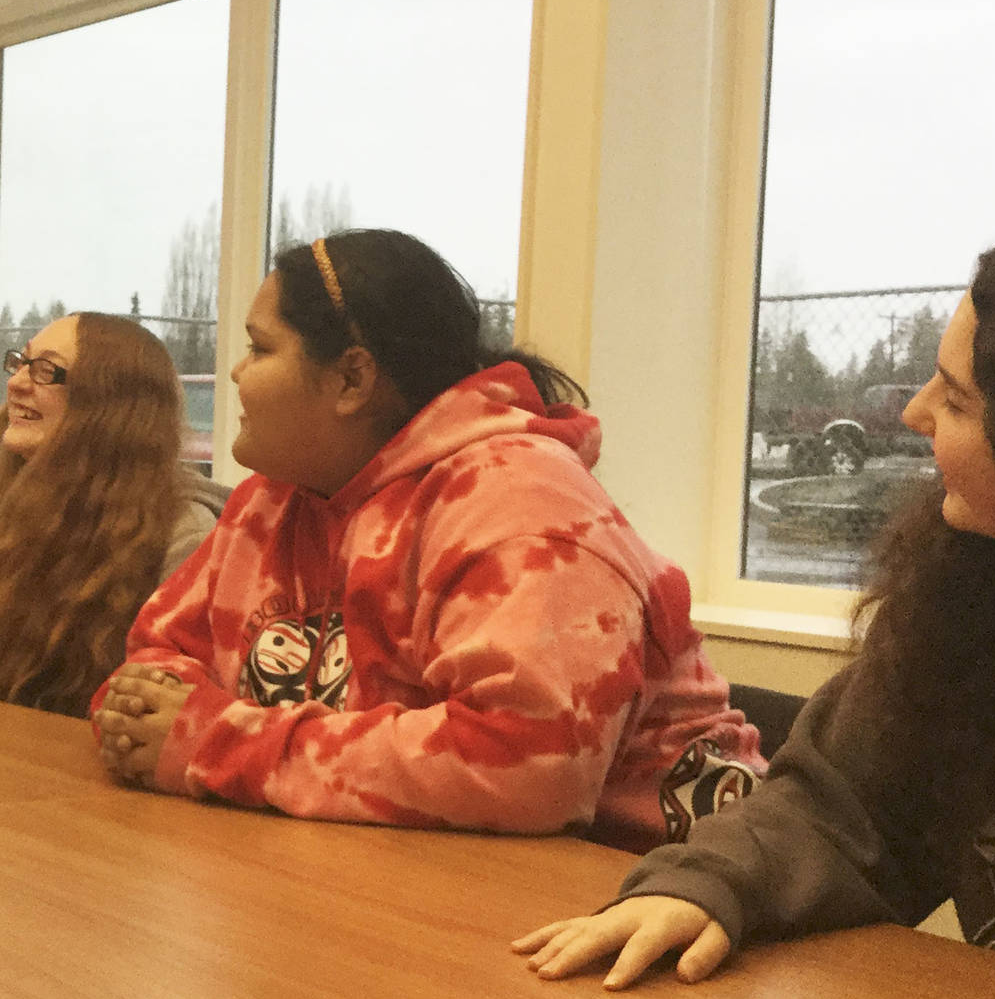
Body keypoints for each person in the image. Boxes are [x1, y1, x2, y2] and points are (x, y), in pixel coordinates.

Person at [514, 212, 995, 999]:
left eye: (956, 399)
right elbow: (846, 802)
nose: (917, 413)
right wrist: (706, 882)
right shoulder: (989, 590)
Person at [92, 230, 760, 846]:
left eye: (259, 348)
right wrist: (155, 715)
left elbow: (528, 769)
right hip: (404, 868)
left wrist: (219, 744)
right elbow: (160, 653)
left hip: (651, 890)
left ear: (352, 378)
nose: (235, 374)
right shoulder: (272, 503)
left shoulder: (521, 504)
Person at [0, 312, 228, 718]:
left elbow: (159, 718)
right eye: (21, 363)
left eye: (46, 371)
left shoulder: (183, 533)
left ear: (110, 407)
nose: (15, 383)